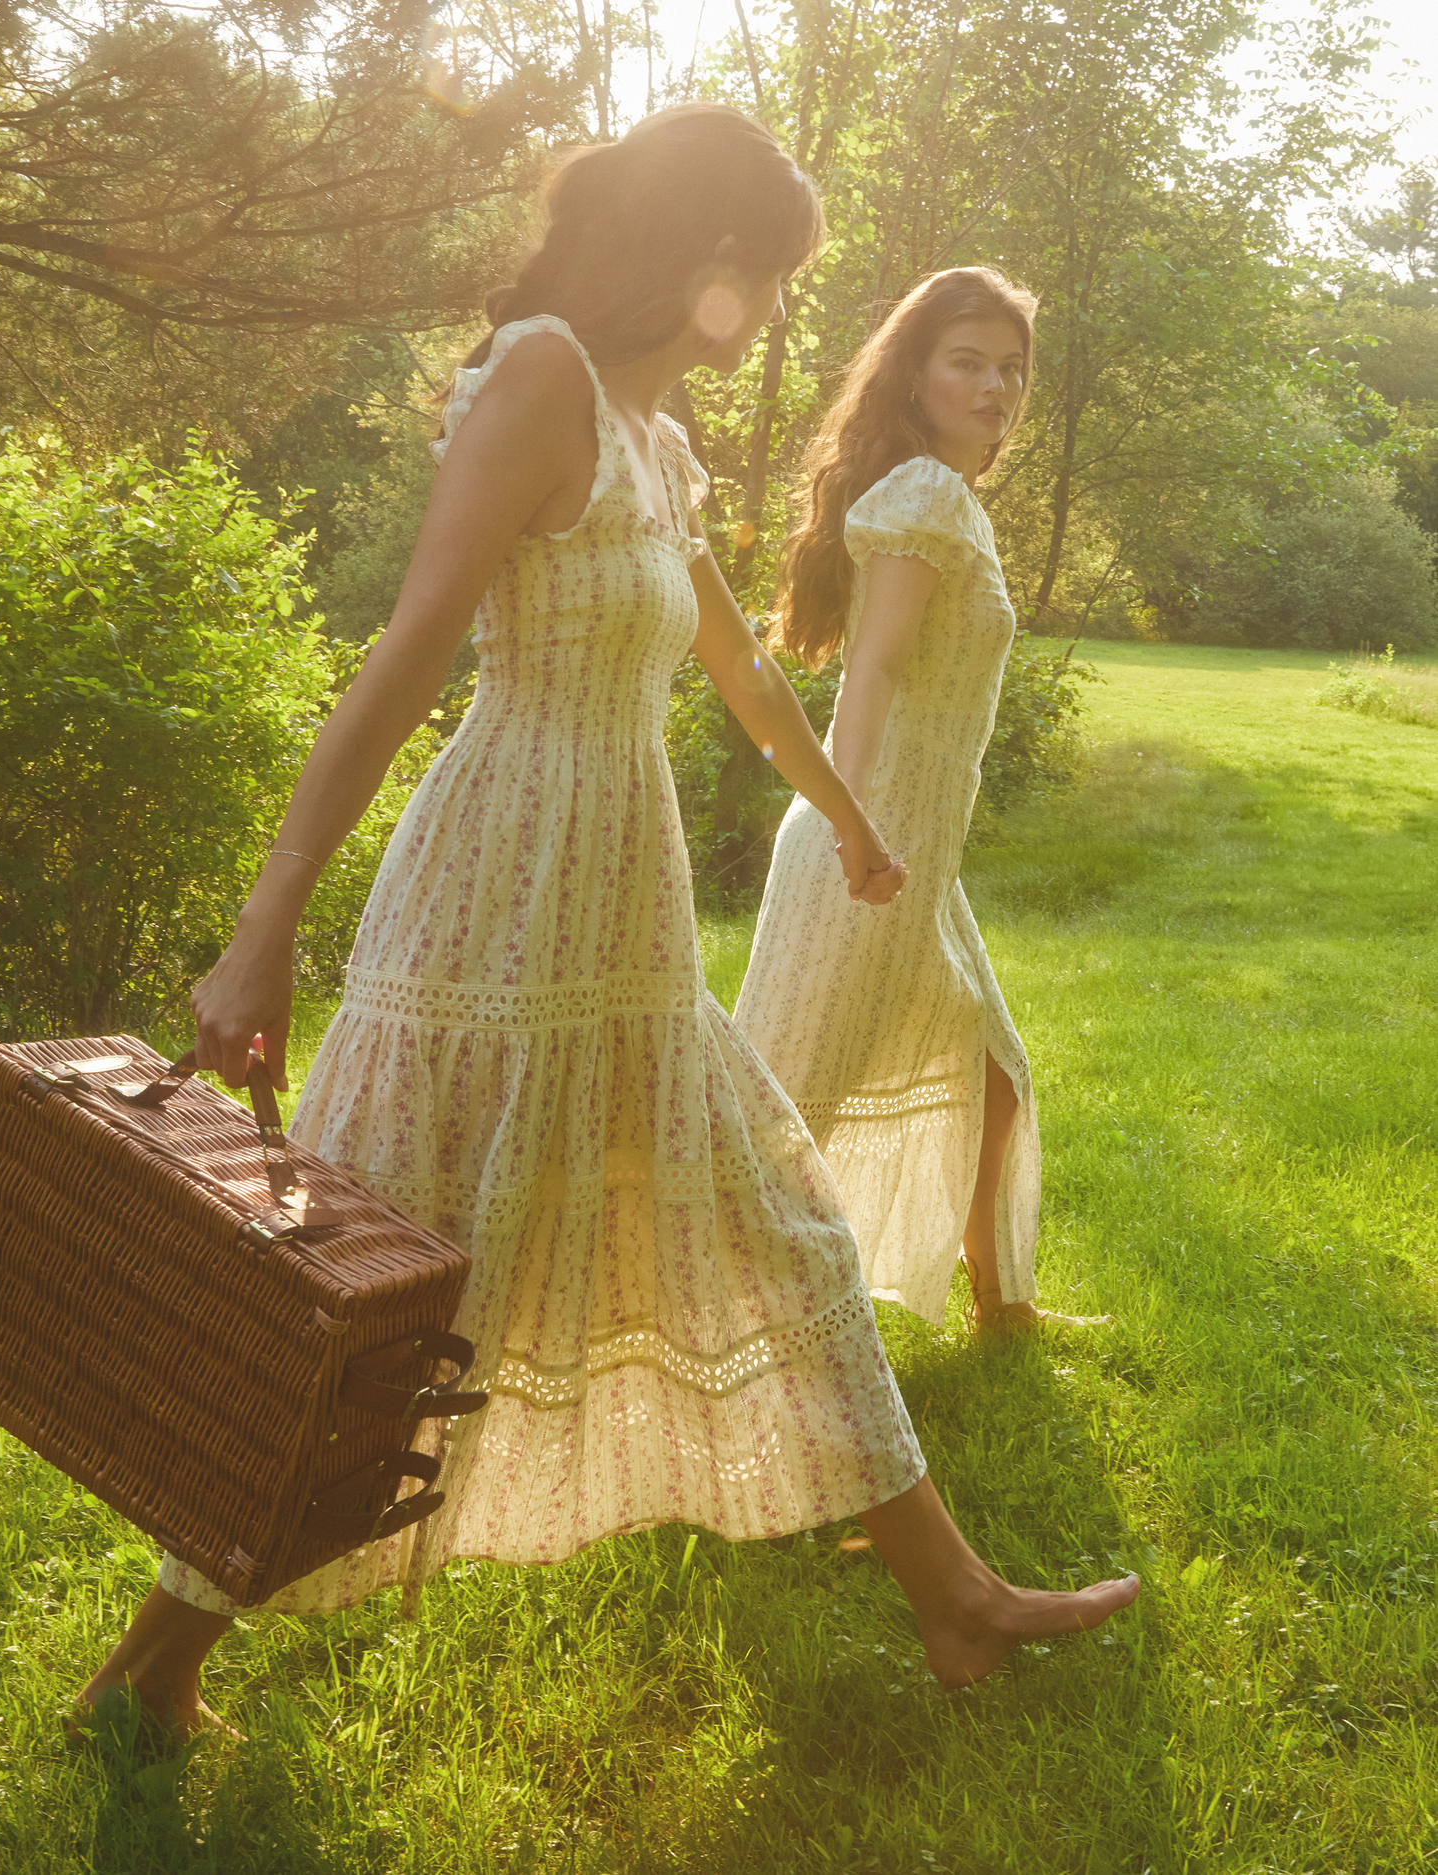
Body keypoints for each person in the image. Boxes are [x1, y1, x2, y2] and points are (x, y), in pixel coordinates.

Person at [78, 116, 1136, 1737]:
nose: (775, 307)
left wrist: (850, 819)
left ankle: (957, 1600)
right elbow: (410, 652)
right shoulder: (545, 380)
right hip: (491, 907)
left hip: (622, 913)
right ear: (703, 252)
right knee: (380, 1299)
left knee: (783, 1233)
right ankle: (151, 1663)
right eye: (769, 272)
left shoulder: (654, 433)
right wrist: (264, 920)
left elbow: (737, 664)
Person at [735, 267, 1108, 1339]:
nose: (996, 387)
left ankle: (1002, 1304)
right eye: (968, 363)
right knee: (788, 1111)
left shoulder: (940, 495)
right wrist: (850, 823)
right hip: (873, 844)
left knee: (994, 1074)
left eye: (1012, 369)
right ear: (915, 375)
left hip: (914, 852)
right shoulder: (927, 498)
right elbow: (879, 667)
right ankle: (714, 1326)